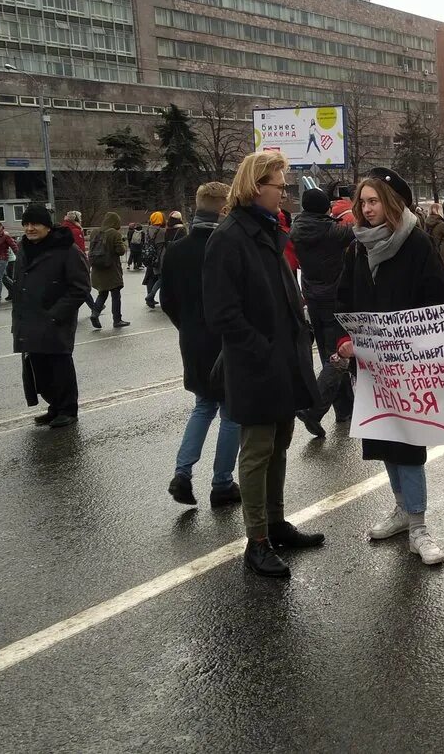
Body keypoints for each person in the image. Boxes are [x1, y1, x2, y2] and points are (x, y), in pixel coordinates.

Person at [203, 152, 325, 579]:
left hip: (283, 360)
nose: (284, 193)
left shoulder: (267, 229)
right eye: (279, 185)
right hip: (256, 365)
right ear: (257, 186)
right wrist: (261, 348)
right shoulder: (230, 236)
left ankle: (275, 523)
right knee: (256, 452)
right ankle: (256, 542)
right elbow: (221, 313)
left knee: (279, 444)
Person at [336, 168, 444, 567]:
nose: (368, 209)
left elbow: (437, 299)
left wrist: (422, 343)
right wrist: (343, 341)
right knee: (384, 439)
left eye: (374, 201)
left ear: (391, 202)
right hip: (370, 367)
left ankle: (419, 524)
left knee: (408, 444)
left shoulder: (416, 243)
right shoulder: (356, 247)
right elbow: (342, 300)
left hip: (408, 365)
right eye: (363, 201)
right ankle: (402, 510)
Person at [162, 181, 242, 509]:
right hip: (226, 341)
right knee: (231, 414)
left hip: (192, 339)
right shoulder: (228, 245)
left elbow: (168, 300)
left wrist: (188, 327)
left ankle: (182, 472)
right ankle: (222, 483)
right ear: (224, 207)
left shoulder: (177, 249)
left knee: (203, 406)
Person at [13, 204, 90, 429]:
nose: (30, 228)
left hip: (55, 321)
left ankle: (68, 409)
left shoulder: (67, 249)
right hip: (30, 319)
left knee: (59, 367)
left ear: (47, 226)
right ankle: (54, 407)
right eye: (26, 224)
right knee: (40, 368)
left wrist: (55, 314)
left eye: (35, 224)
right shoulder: (24, 248)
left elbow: (81, 288)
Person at [289, 187, 354, 425]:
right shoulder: (332, 231)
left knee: (329, 352)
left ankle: (345, 409)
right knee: (338, 355)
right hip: (334, 297)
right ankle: (314, 410)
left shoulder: (297, 229)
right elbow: (357, 230)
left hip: (312, 296)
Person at [87, 211, 130, 330]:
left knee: (102, 293)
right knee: (116, 295)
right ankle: (117, 320)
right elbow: (120, 251)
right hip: (111, 269)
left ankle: (95, 313)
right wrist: (124, 244)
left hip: (97, 268)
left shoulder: (95, 232)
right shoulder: (114, 233)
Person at [142, 211, 166, 308]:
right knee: (162, 278)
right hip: (160, 258)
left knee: (151, 277)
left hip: (150, 257)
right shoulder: (162, 231)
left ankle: (150, 296)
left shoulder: (148, 230)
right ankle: (151, 295)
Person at [425, 202, 444, 276]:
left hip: (430, 250)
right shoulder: (441, 224)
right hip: (441, 249)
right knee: (443, 271)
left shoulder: (425, 222)